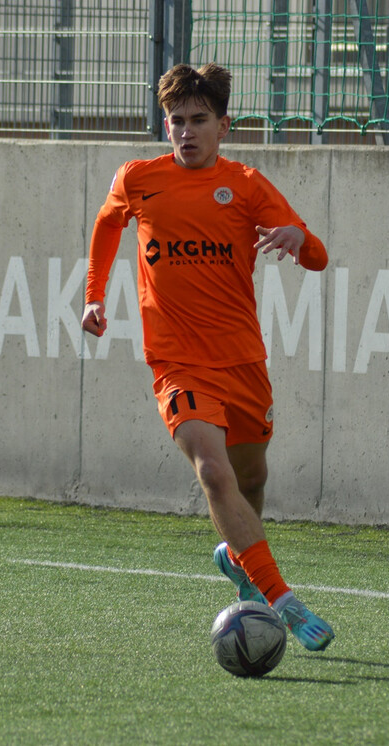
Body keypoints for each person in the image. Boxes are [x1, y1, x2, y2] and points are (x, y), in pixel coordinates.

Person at [80, 63, 334, 652]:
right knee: (213, 472)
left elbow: (317, 255)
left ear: (224, 126)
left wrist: (300, 240)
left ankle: (239, 557)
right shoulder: (139, 178)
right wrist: (93, 296)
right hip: (176, 363)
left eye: (199, 120)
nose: (186, 131)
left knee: (250, 478)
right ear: (165, 126)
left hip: (241, 360)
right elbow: (105, 226)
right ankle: (285, 603)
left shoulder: (246, 185)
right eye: (176, 121)